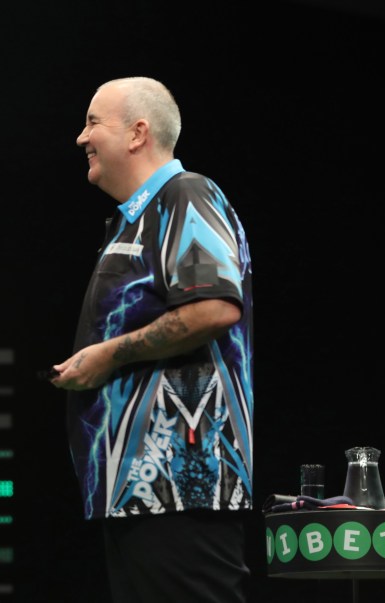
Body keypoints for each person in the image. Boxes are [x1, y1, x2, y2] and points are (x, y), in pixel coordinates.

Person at [50, 77, 254, 603]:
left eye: (93, 122)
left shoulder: (185, 194)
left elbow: (213, 307)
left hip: (182, 482)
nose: (81, 137)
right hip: (136, 491)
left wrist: (107, 355)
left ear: (138, 133)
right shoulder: (134, 220)